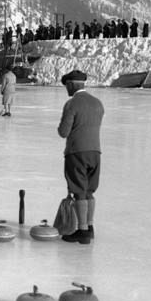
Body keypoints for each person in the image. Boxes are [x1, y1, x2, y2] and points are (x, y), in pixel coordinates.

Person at [57, 69, 104, 244]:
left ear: (70, 84)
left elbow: (63, 132)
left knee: (78, 192)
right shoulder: (98, 103)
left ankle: (82, 230)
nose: (66, 90)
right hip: (95, 152)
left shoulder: (72, 104)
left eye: (66, 86)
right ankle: (90, 226)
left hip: (77, 153)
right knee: (89, 191)